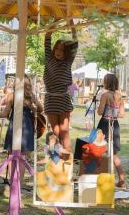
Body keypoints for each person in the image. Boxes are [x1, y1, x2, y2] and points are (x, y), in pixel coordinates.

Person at [0, 76, 42, 185]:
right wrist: (31, 106)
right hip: (27, 128)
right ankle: (19, 185)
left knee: (12, 156)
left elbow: (4, 114)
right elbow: (41, 109)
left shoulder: (12, 96)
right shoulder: (31, 96)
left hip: (15, 127)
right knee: (22, 158)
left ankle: (13, 184)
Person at [43, 20, 78, 160]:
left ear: (66, 53)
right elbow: (47, 37)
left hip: (63, 99)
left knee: (65, 132)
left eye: (61, 50)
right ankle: (58, 160)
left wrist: (71, 24)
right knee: (56, 132)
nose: (58, 52)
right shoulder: (48, 59)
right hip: (51, 99)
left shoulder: (68, 62)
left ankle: (67, 163)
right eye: (56, 49)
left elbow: (75, 42)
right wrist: (55, 22)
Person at [96, 74, 126, 188]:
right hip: (115, 124)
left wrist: (102, 108)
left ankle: (101, 178)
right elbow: (122, 114)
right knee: (114, 154)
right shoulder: (119, 96)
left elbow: (100, 111)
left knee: (99, 150)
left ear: (107, 83)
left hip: (104, 124)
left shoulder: (105, 95)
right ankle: (122, 179)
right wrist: (114, 111)